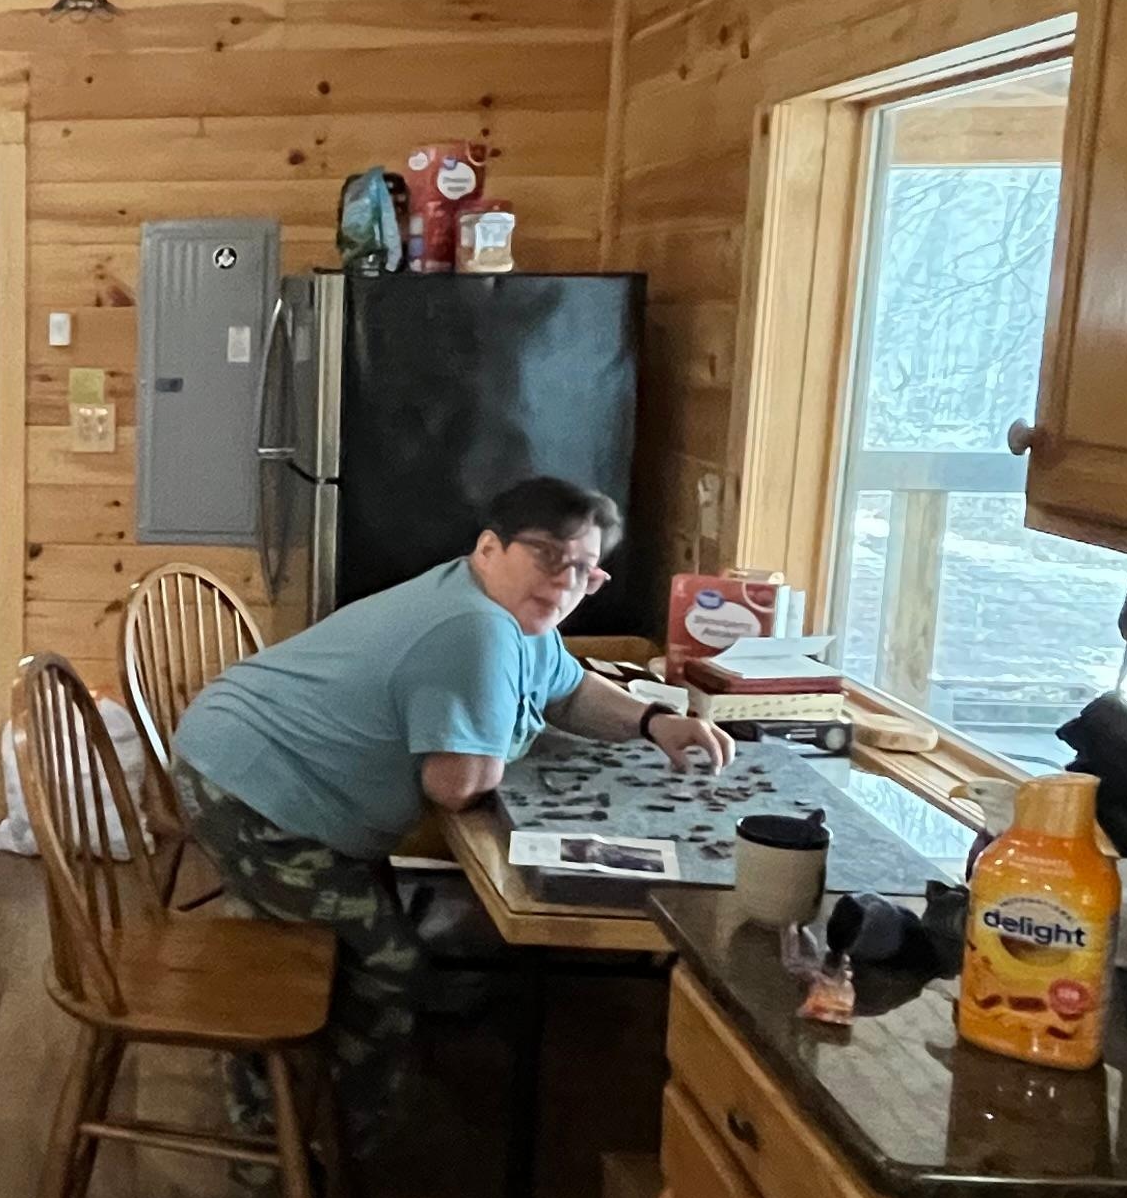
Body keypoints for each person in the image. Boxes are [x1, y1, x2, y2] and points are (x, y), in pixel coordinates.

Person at [166, 475, 723, 1146]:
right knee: (392, 958)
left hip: (260, 761)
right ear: (490, 547)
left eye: (584, 568)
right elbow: (455, 787)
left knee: (372, 931)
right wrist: (495, 742)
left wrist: (656, 722)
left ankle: (323, 1080)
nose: (565, 582)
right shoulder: (475, 628)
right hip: (249, 790)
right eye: (548, 557)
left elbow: (569, 692)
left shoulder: (511, 611)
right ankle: (308, 1137)